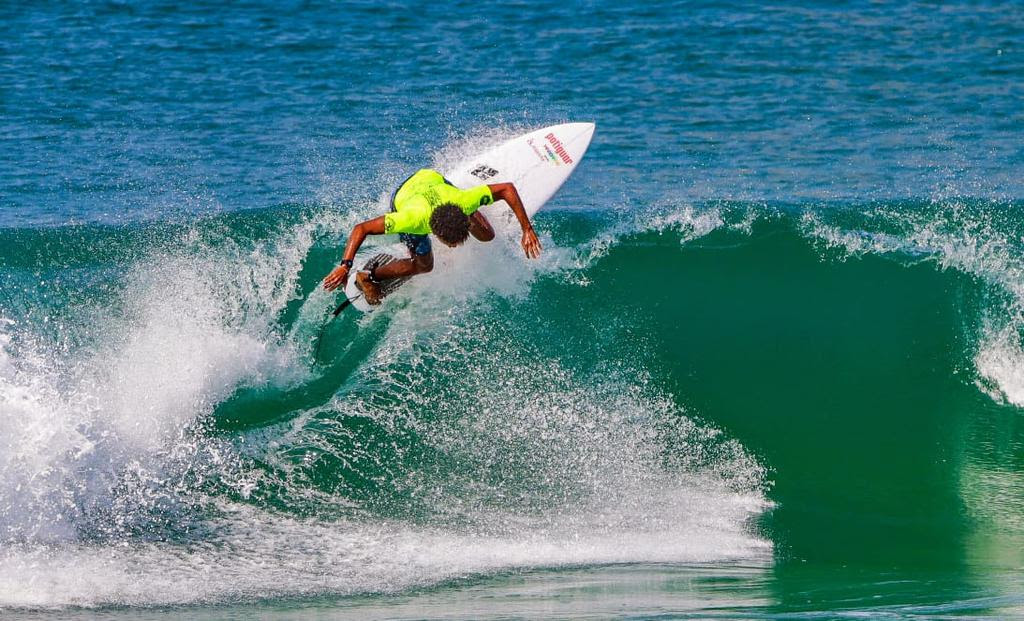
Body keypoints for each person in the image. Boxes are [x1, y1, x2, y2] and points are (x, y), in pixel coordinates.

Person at [322, 169, 542, 304]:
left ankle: (472, 213)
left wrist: (527, 229)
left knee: (487, 235)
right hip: (405, 194)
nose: (454, 247)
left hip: (434, 179)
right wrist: (345, 265)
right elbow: (361, 228)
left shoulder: (463, 200)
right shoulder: (412, 220)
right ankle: (369, 276)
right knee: (424, 265)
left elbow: (507, 189)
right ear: (434, 232)